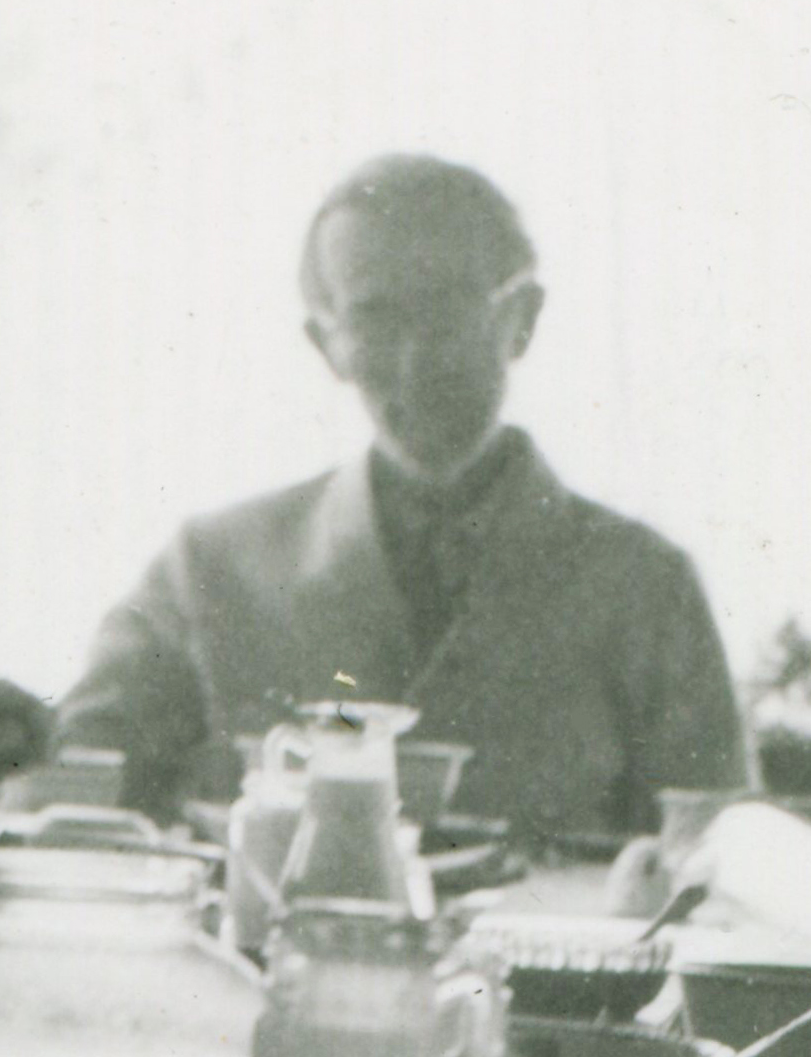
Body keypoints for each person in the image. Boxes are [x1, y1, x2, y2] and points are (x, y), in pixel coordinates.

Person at [56, 156, 753, 843]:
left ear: (523, 318)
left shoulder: (645, 589)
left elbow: (722, 857)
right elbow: (74, 781)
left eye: (445, 313)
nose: (416, 361)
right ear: (326, 344)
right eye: (376, 320)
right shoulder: (209, 570)